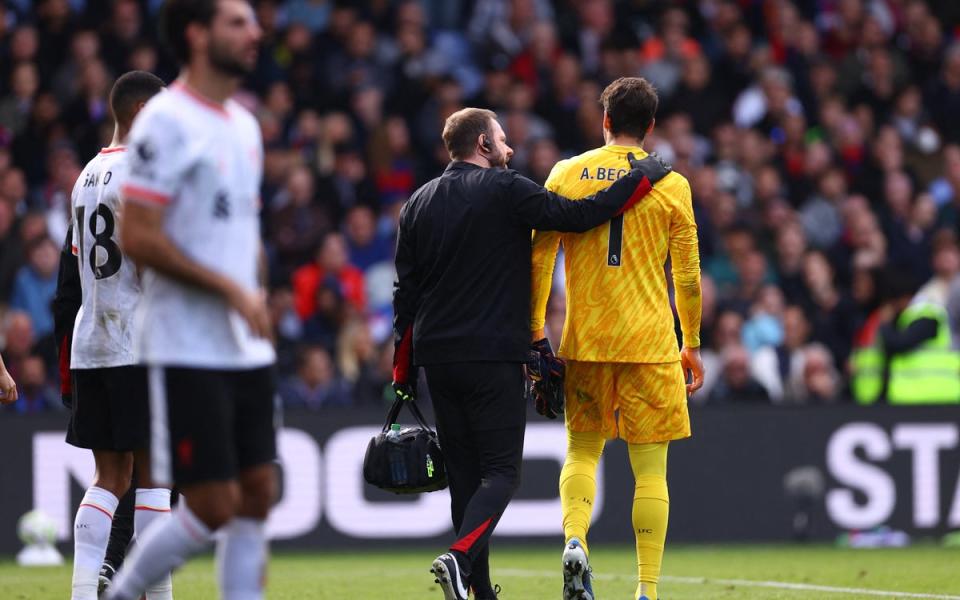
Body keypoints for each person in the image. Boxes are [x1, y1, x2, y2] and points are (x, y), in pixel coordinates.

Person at [392, 105, 671, 600]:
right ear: (483, 145)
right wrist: (640, 180)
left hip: (436, 358)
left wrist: (402, 366)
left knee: (466, 479)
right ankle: (458, 559)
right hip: (492, 355)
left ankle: (477, 591)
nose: (510, 149)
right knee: (502, 474)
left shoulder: (417, 202)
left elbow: (405, 295)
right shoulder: (505, 189)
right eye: (502, 140)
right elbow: (577, 217)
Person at [105, 2, 277, 599]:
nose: (254, 32)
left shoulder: (244, 125)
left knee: (258, 491)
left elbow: (242, 230)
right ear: (198, 35)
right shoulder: (166, 122)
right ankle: (122, 594)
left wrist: (255, 292)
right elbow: (139, 235)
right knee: (211, 500)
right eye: (237, 22)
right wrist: (229, 289)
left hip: (243, 342)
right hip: (183, 341)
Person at [529, 77, 704, 600]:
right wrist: (690, 342)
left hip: (585, 341)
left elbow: (539, 259)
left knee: (581, 453)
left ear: (604, 120)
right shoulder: (672, 185)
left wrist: (536, 333)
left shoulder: (566, 174)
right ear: (650, 128)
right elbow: (689, 275)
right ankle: (646, 589)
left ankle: (575, 540)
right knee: (650, 470)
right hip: (651, 345)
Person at [61, 70, 169, 600]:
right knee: (154, 476)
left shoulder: (85, 176)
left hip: (92, 343)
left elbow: (81, 262)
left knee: (109, 477)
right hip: (141, 342)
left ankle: (83, 592)